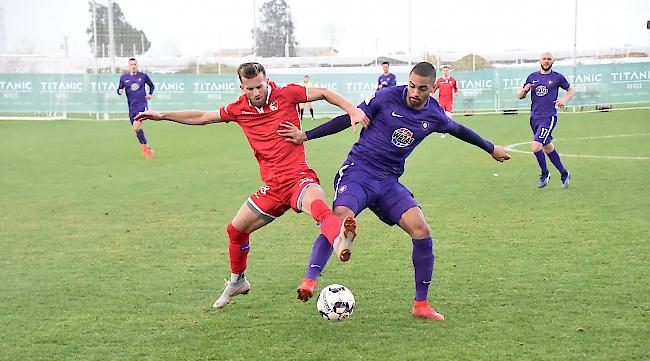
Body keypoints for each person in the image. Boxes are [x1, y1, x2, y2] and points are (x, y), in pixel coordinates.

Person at [278, 62, 510, 321]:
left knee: (420, 229)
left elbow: (460, 131)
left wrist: (491, 148)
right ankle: (309, 280)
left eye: (422, 89)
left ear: (432, 88)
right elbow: (349, 117)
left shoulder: (434, 114)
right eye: (411, 86)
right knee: (340, 215)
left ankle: (421, 305)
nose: (414, 93)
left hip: (388, 181)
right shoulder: (385, 97)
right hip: (358, 171)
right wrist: (306, 135)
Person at [134, 62, 369, 308]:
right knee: (235, 231)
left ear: (266, 80)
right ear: (242, 87)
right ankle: (238, 281)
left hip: (299, 177)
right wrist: (162, 115)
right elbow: (203, 117)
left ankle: (339, 240)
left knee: (318, 205)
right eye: (250, 89)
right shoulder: (239, 109)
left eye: (259, 86)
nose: (256, 93)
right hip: (273, 188)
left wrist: (352, 109)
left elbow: (324, 93)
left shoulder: (286, 94)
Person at [517, 52, 574, 188]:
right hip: (534, 118)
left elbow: (570, 90)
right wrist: (524, 90)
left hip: (549, 117)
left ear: (553, 61)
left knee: (536, 146)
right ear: (540, 61)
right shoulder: (532, 77)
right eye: (544, 59)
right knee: (548, 148)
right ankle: (564, 173)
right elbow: (520, 96)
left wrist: (564, 100)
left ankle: (545, 173)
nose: (546, 61)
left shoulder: (557, 77)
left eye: (549, 59)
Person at [117, 58, 155, 159]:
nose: (133, 66)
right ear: (128, 66)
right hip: (131, 108)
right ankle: (146, 147)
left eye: (135, 64)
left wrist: (150, 94)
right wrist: (120, 91)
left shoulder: (143, 76)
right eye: (131, 64)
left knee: (136, 127)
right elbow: (119, 88)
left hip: (142, 106)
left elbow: (151, 85)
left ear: (137, 65)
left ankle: (145, 147)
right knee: (136, 129)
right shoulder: (124, 78)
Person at [431, 65, 458, 138]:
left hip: (449, 102)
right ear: (442, 72)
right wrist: (432, 94)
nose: (445, 72)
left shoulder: (453, 80)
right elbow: (434, 89)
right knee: (442, 117)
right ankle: (443, 132)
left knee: (449, 117)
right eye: (444, 70)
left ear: (449, 71)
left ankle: (450, 130)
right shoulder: (439, 81)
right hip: (441, 102)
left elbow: (455, 88)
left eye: (447, 70)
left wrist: (456, 92)